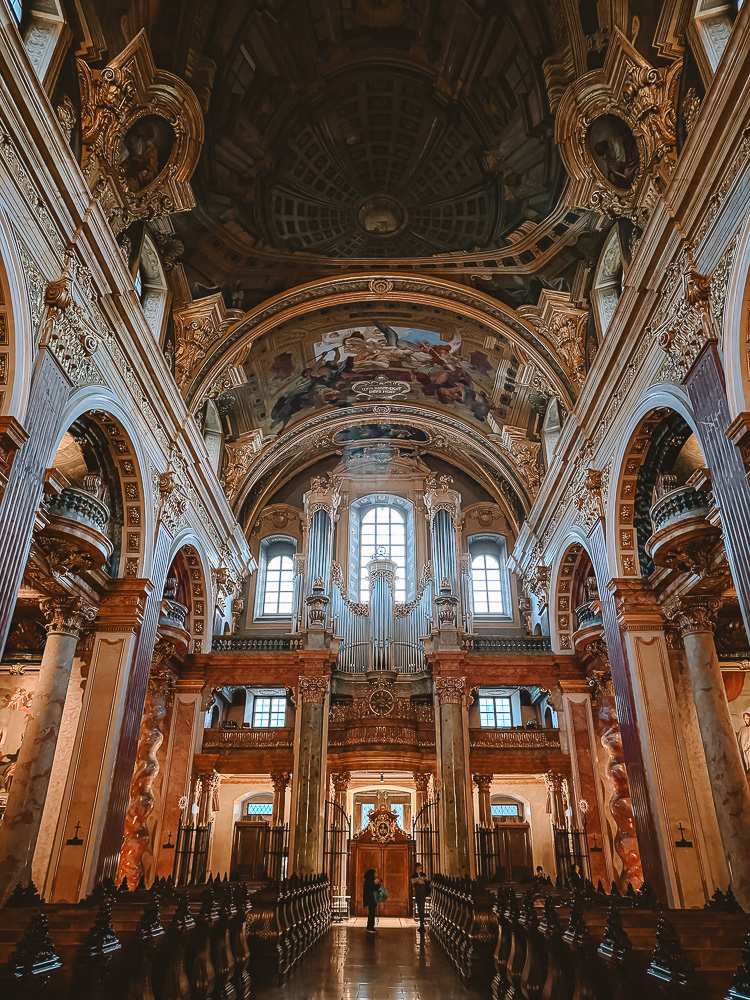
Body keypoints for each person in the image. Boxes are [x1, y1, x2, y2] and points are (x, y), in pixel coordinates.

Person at [411, 862, 430, 933]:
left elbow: (427, 881)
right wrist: (418, 880)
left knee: (422, 908)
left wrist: (423, 879)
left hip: (423, 893)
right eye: (419, 866)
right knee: (419, 908)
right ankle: (421, 924)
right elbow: (413, 883)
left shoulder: (423, 874)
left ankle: (422, 924)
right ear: (417, 867)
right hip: (418, 893)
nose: (421, 868)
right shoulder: (414, 876)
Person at [363, 868, 381, 933]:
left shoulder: (368, 880)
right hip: (371, 899)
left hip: (370, 899)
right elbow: (372, 889)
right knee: (371, 913)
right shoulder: (369, 880)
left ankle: (370, 926)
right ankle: (370, 927)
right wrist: (378, 885)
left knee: (371, 913)